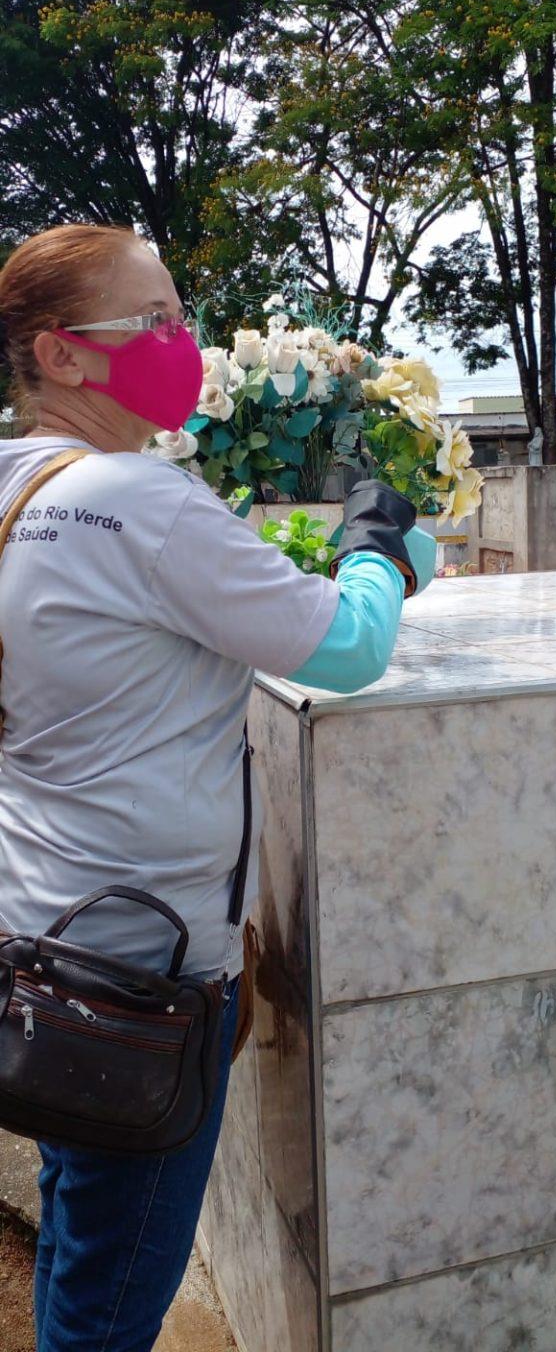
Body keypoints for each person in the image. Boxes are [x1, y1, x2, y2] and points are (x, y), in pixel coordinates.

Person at [0, 223, 435, 1352]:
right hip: (142, 975)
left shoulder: (19, 486)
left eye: (181, 316)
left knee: (78, 1217)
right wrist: (377, 547)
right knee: (111, 1298)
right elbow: (345, 649)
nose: (181, 343)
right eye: (151, 322)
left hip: (36, 936)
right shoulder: (140, 506)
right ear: (59, 354)